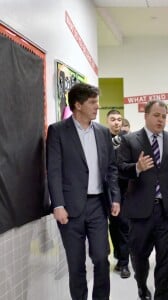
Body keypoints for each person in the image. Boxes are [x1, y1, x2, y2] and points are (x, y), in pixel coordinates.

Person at [46, 83, 120, 300]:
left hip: (98, 205)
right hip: (69, 208)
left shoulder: (103, 132)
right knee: (76, 263)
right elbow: (54, 170)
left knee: (100, 258)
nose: (98, 107)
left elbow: (111, 168)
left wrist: (115, 197)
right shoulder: (58, 131)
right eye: (92, 102)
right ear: (78, 105)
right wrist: (57, 204)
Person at [118, 100, 168, 300]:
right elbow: (120, 169)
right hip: (140, 212)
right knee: (139, 256)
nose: (160, 120)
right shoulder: (130, 141)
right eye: (156, 115)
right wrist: (136, 168)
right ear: (146, 116)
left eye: (164, 116)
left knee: (166, 260)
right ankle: (141, 284)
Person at [106, 109, 131, 279]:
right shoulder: (101, 138)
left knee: (123, 225)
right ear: (107, 121)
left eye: (119, 120)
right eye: (113, 119)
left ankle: (124, 262)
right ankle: (118, 256)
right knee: (112, 226)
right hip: (104, 190)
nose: (116, 122)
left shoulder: (127, 141)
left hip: (123, 190)